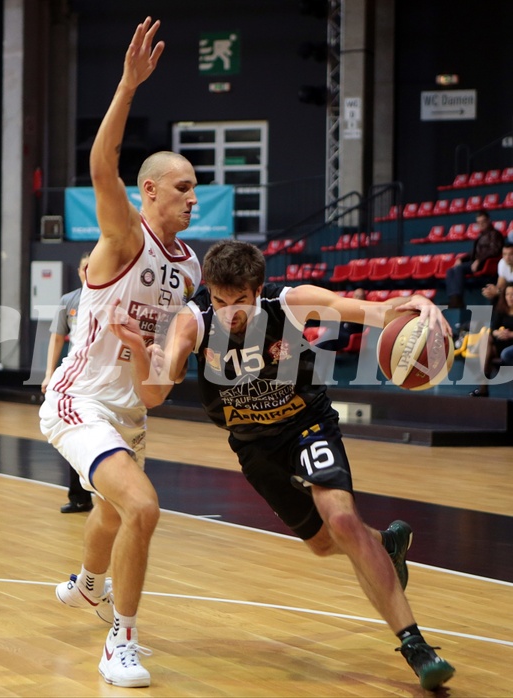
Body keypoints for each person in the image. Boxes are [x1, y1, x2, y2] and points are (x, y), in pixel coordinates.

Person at [110, 240, 456, 691]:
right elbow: (159, 389)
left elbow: (370, 310)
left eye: (239, 302)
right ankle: (386, 546)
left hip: (306, 426)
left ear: (258, 291)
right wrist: (145, 352)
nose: (229, 312)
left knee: (342, 520)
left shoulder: (288, 303)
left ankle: (416, 647)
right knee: (322, 543)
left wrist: (417, 306)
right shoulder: (191, 322)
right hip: (254, 448)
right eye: (219, 301)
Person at [39, 17, 201, 689]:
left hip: (130, 409)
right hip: (79, 401)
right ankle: (120, 644)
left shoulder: (188, 270)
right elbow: (101, 164)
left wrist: (149, 359)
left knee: (110, 515)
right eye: (183, 186)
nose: (193, 197)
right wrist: (128, 86)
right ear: (151, 191)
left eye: (196, 187)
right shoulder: (124, 237)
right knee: (143, 508)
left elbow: (160, 384)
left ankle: (86, 585)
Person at [41, 252, 93, 514]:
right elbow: (57, 338)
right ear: (80, 271)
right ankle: (80, 497)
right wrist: (49, 373)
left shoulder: (111, 298)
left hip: (104, 379)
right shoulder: (69, 300)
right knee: (76, 435)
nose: (89, 271)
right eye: (85, 267)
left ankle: (110, 496)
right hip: (76, 378)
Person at [446, 210, 504, 308]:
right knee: (450, 270)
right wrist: (461, 259)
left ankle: (457, 300)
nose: (481, 224)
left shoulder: (495, 234)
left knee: (459, 269)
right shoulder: (481, 235)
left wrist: (479, 260)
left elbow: (495, 250)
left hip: (485, 263)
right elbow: (473, 252)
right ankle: (453, 298)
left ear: (489, 221)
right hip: (477, 262)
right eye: (479, 222)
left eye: (483, 222)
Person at [469, 282, 513, 397]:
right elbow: (493, 329)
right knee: (486, 338)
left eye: (512, 294)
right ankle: (483, 386)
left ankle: (483, 381)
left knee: (498, 352)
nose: (510, 297)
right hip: (500, 344)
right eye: (507, 294)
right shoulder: (501, 309)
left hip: (511, 346)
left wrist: (510, 335)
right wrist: (498, 332)